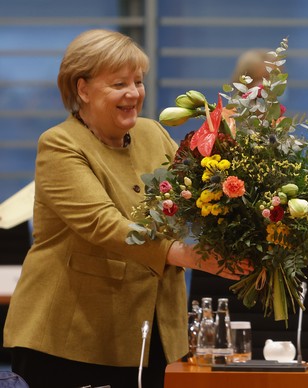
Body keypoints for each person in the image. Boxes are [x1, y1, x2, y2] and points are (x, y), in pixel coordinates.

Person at [3, 29, 248, 388]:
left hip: (156, 335)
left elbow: (196, 199)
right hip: (73, 341)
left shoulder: (153, 134)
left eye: (138, 81)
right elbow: (104, 225)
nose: (133, 93)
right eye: (119, 83)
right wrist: (188, 255)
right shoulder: (59, 145)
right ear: (82, 89)